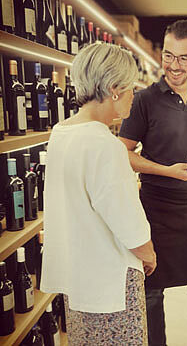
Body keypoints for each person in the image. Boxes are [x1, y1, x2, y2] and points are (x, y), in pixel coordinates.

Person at [119, 20, 187, 346]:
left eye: (183, 57)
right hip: (156, 204)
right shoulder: (143, 100)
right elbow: (123, 152)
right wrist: (169, 171)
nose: (173, 65)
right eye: (168, 55)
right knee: (153, 291)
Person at [40, 43, 156, 346]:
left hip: (78, 278)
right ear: (114, 89)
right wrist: (148, 252)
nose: (134, 95)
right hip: (110, 282)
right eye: (131, 87)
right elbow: (126, 218)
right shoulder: (105, 145)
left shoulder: (61, 132)